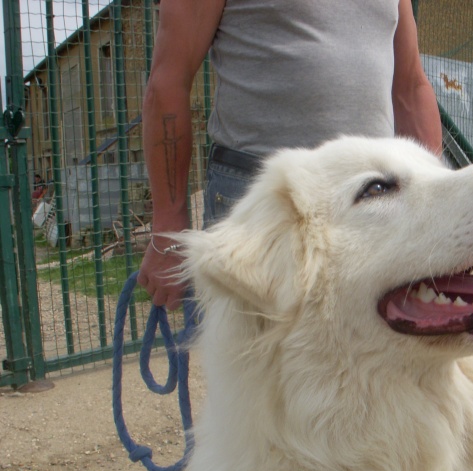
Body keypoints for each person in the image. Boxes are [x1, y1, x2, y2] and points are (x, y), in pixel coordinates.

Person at [138, 0, 442, 310]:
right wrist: (168, 232)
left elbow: (411, 86)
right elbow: (167, 84)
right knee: (254, 351)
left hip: (373, 198)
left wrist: (439, 204)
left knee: (375, 350)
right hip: (264, 199)